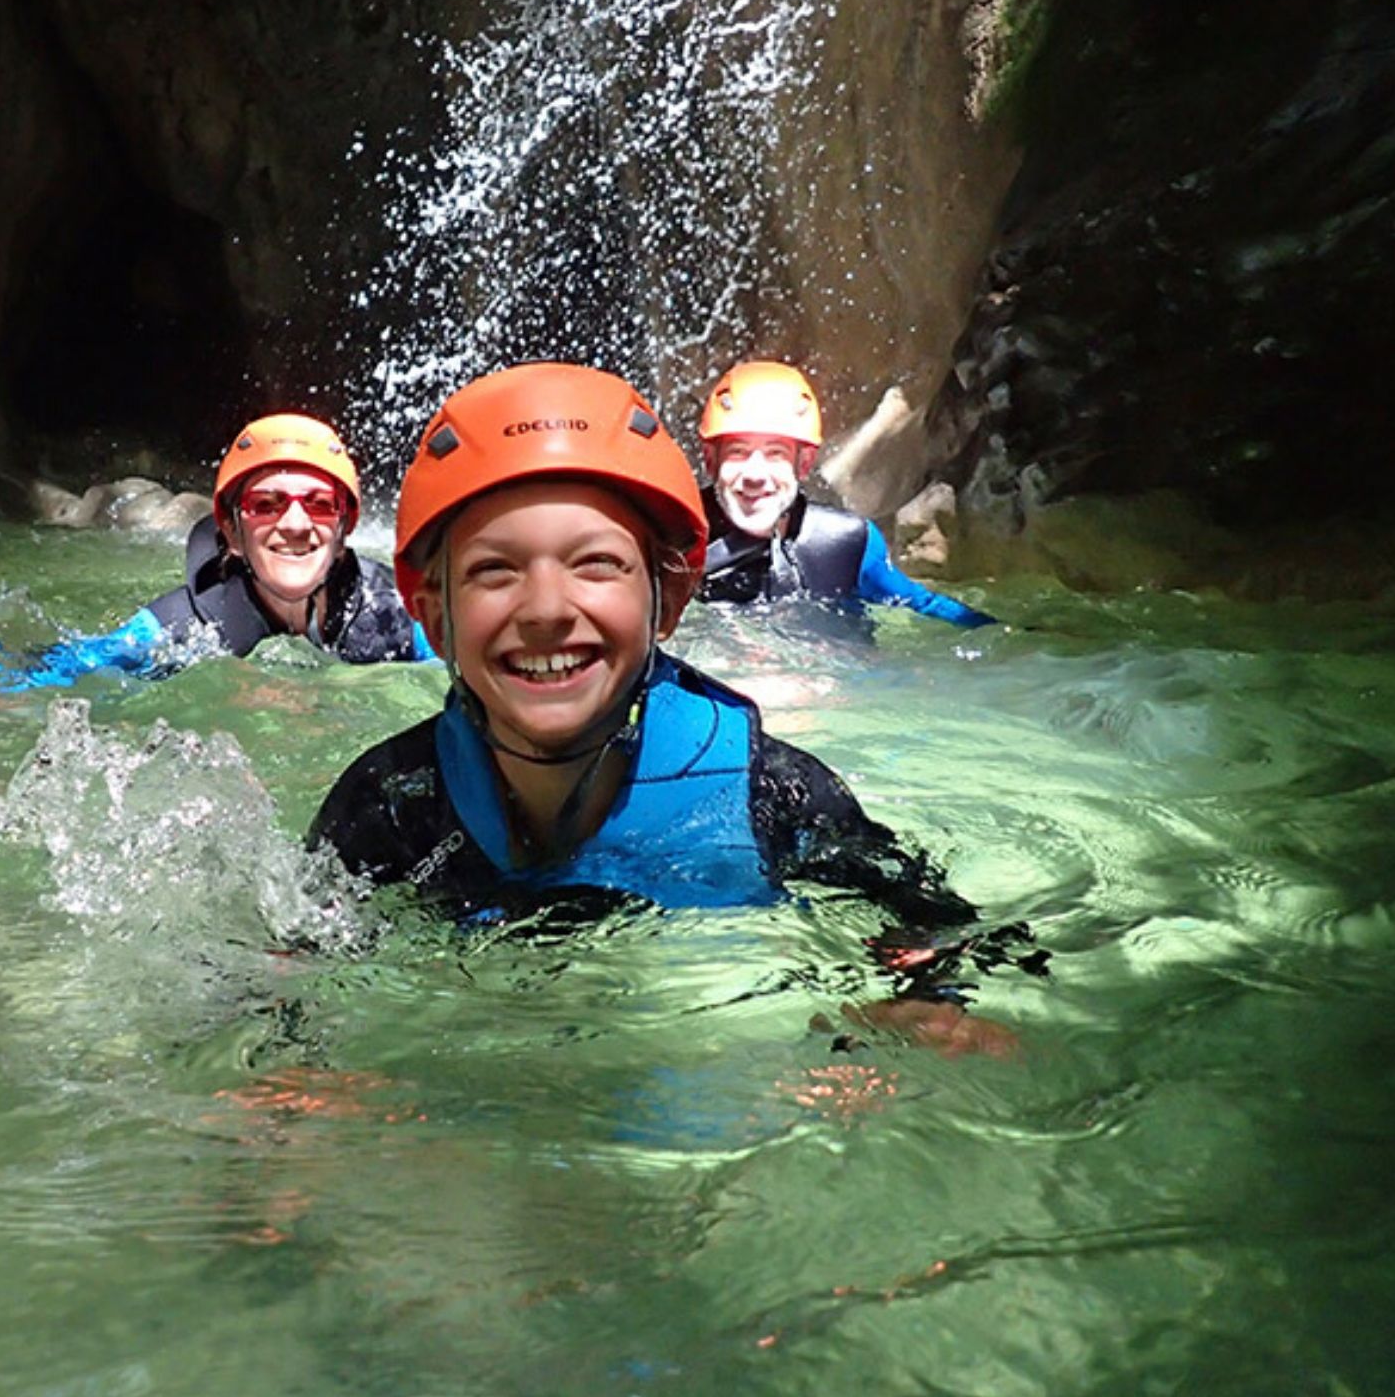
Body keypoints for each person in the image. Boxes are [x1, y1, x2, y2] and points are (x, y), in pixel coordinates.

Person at [308, 364, 1040, 1036]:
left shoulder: (771, 794)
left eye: (597, 564)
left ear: (670, 600)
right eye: (494, 571)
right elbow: (289, 976)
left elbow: (944, 932)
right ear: (435, 616)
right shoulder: (390, 806)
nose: (545, 609)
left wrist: (925, 1005)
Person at [0, 414, 431, 694]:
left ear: (344, 528)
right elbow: (73, 668)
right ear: (232, 533)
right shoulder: (182, 630)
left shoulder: (401, 615)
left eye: (320, 505)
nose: (297, 524)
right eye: (267, 504)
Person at [696, 360, 994, 627]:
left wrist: (1012, 638)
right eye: (738, 453)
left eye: (776, 454)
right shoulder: (674, 537)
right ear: (711, 460)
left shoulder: (844, 544)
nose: (755, 475)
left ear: (804, 463)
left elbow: (922, 604)